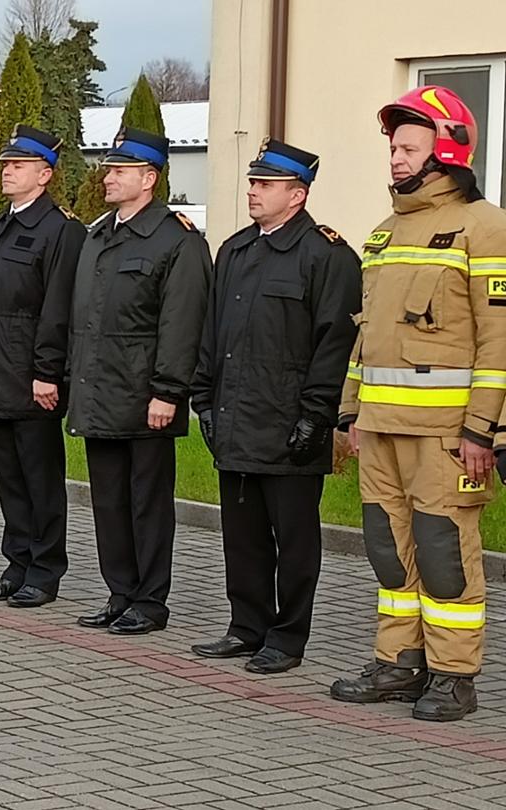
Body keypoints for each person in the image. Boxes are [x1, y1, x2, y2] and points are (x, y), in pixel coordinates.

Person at [330, 86, 506, 722]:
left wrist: (485, 431)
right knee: (386, 546)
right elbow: (366, 334)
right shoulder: (383, 232)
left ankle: (454, 675)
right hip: (377, 429)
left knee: (443, 553)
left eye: (409, 148)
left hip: (445, 435)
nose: (396, 159)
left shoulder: (488, 227)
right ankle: (399, 663)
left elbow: (499, 341)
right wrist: (350, 414)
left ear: (448, 149)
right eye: (393, 148)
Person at [188, 140, 359, 674]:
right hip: (238, 417)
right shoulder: (235, 250)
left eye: (265, 184)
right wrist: (204, 399)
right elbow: (211, 333)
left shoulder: (327, 256)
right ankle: (247, 626)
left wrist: (316, 414)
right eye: (252, 182)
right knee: (242, 537)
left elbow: (335, 343)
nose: (252, 191)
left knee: (295, 540)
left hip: (290, 423)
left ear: (298, 194)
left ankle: (287, 637)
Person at [65, 127, 211, 636]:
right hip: (100, 391)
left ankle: (150, 601)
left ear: (149, 178)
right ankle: (120, 592)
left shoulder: (177, 239)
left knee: (147, 504)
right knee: (108, 501)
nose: (109, 177)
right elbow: (83, 318)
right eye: (110, 168)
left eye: (121, 170)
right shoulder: (99, 234)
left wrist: (169, 391)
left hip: (147, 397)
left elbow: (182, 323)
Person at [0, 125, 84, 608]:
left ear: (45, 174)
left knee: (40, 480)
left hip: (32, 380)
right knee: (9, 478)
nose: (7, 171)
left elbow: (57, 310)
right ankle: (18, 561)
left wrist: (48, 372)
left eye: (19, 165)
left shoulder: (60, 230)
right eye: (6, 164)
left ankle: (45, 569)